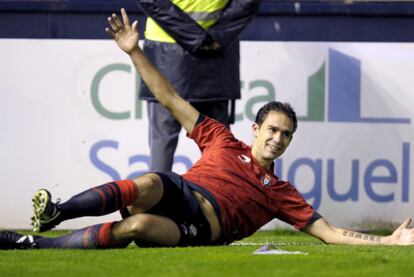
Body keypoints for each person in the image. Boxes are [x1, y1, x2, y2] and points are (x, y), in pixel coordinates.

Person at [1, 9, 414, 250]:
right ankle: (58, 212)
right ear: (255, 128)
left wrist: (389, 242)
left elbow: (329, 233)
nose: (278, 139)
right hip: (181, 191)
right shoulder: (221, 139)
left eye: (286, 135)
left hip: (201, 229)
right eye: (272, 129)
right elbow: (169, 98)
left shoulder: (280, 194)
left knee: (138, 227)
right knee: (150, 180)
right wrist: (135, 52)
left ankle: (34, 244)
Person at [136, 0, 261, 172]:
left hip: (170, 51)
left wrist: (201, 37)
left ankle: (159, 197)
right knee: (217, 146)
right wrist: (213, 36)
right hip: (213, 50)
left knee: (166, 144)